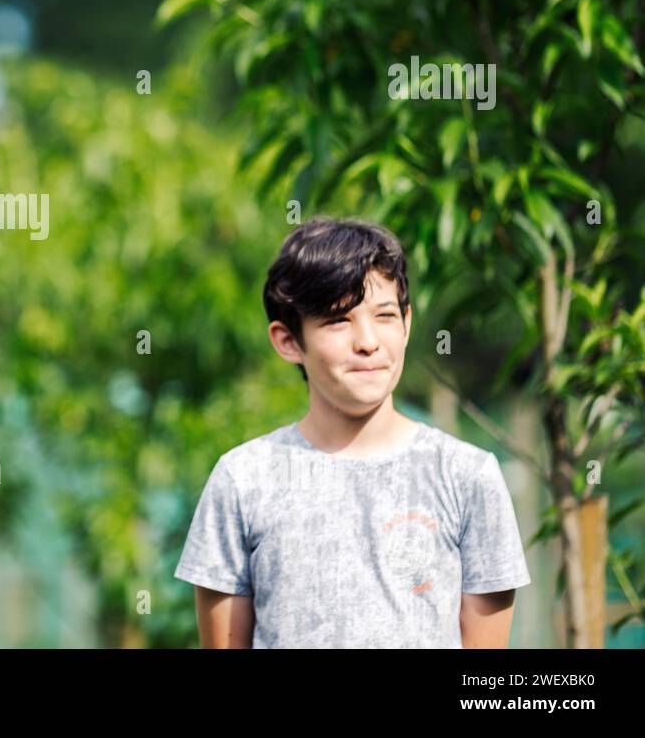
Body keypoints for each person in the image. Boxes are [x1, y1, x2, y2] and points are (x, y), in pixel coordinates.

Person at [175, 217, 531, 648]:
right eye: (338, 320)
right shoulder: (243, 480)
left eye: (384, 316)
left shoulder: (467, 477)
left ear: (407, 323)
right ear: (288, 341)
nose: (367, 341)